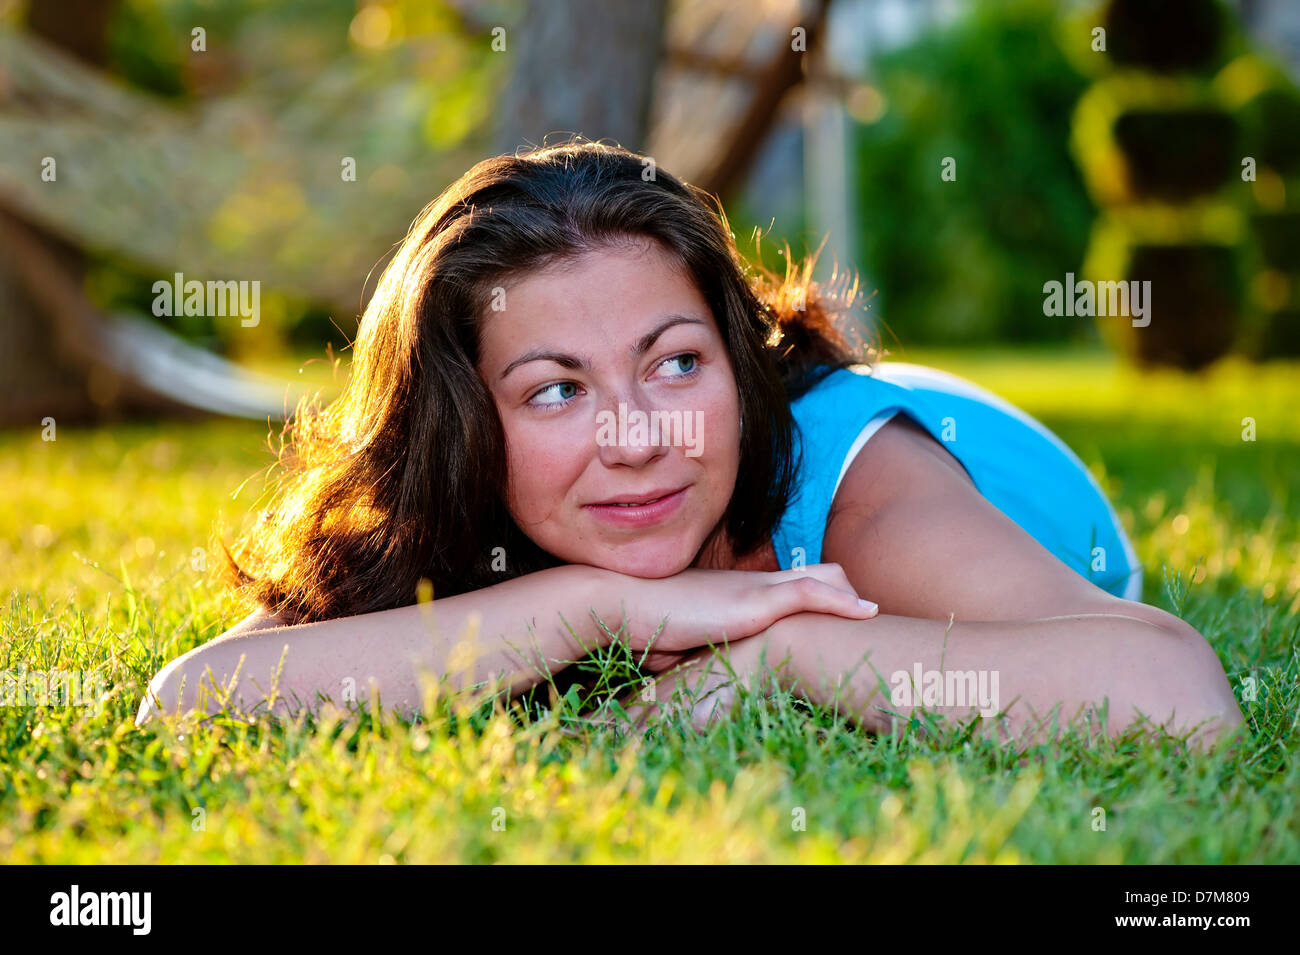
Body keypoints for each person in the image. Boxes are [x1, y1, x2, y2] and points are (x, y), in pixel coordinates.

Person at [135, 139, 1243, 749]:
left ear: (737, 362)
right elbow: (193, 702)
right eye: (557, 388)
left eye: (675, 364)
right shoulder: (468, 501)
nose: (638, 439)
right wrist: (596, 608)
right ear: (467, 421)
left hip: (981, 457)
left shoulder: (853, 488)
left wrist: (782, 653)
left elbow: (1177, 699)